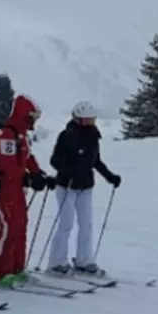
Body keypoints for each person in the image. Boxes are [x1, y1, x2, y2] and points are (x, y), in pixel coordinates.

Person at [45, 101, 121, 277]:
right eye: (89, 120)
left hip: (85, 186)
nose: (92, 123)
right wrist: (69, 171)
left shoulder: (93, 136)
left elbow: (95, 160)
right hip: (67, 186)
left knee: (86, 224)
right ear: (79, 120)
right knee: (66, 224)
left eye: (93, 120)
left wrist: (110, 176)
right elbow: (55, 160)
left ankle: (84, 261)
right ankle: (56, 262)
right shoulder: (67, 136)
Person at [0, 94, 48, 286]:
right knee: (8, 226)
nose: (34, 120)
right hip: (2, 187)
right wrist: (28, 178)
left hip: (17, 187)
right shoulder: (6, 135)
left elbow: (28, 157)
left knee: (21, 225)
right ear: (23, 114)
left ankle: (17, 268)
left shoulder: (22, 135)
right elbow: (8, 165)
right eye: (32, 115)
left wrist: (38, 174)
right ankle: (0, 273)